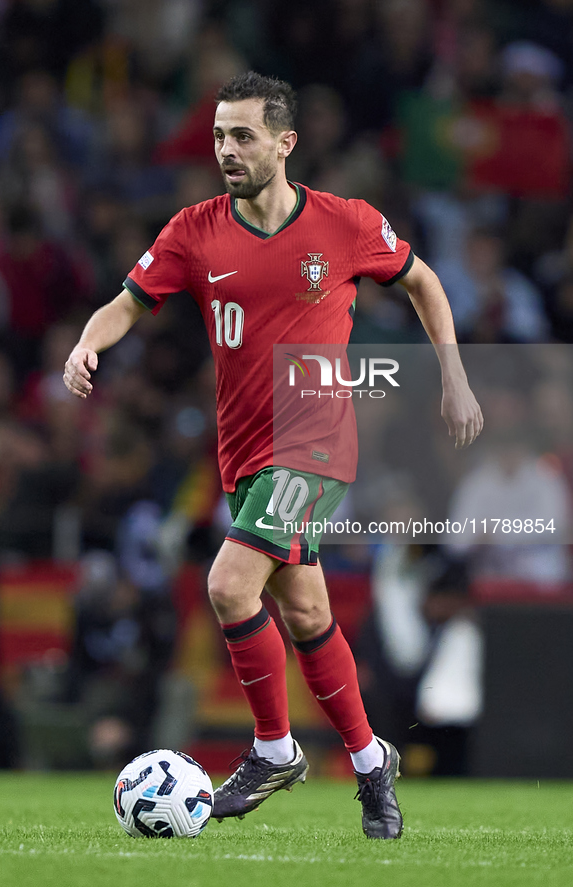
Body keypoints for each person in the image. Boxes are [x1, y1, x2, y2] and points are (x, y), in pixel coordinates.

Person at [63, 71, 483, 839]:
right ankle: (369, 767)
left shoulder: (345, 224)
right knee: (305, 609)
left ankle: (273, 749)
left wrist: (452, 376)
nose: (227, 148)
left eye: (243, 135)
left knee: (228, 584)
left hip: (315, 441)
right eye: (220, 134)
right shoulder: (192, 230)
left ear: (284, 143)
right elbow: (127, 303)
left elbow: (422, 282)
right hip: (244, 451)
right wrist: (88, 344)